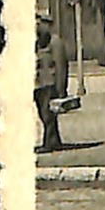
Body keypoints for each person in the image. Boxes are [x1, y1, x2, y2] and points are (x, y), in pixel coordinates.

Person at [35, 14, 69, 153]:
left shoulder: (55, 43)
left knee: (48, 114)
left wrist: (61, 89)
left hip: (50, 84)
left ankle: (48, 143)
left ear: (47, 25)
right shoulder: (37, 43)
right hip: (39, 84)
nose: (37, 27)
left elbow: (61, 67)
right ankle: (54, 141)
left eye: (39, 24)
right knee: (43, 115)